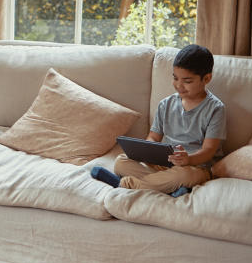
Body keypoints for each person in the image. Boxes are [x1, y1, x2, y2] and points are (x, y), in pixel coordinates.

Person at [91, 44, 225, 196]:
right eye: (175, 78)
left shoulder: (215, 109)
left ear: (206, 78)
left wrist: (188, 160)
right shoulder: (166, 104)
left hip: (195, 167)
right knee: (121, 162)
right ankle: (171, 188)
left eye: (187, 81)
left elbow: (208, 151)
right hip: (164, 164)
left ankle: (125, 184)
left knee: (184, 176)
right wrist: (148, 151)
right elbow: (154, 137)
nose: (179, 85)